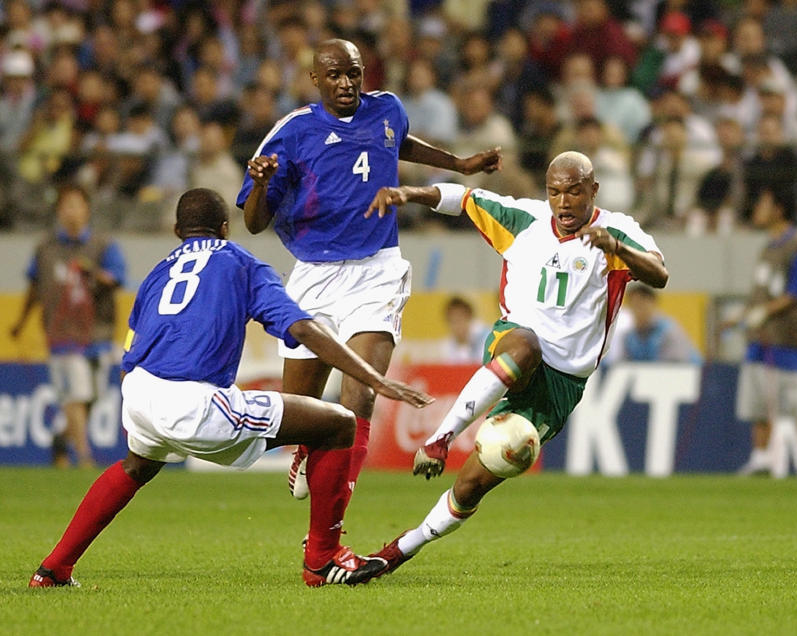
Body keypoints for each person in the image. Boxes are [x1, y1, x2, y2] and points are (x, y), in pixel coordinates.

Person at [28, 188, 432, 588]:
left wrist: (145, 414)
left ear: (176, 231)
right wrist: (373, 378)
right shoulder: (241, 263)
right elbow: (303, 328)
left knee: (137, 465)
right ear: (225, 228)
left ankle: (53, 570)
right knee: (339, 423)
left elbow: (130, 352)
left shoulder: (157, 274)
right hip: (193, 403)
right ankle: (323, 559)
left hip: (139, 393)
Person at [235, 38, 501, 586]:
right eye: (335, 75)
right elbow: (255, 224)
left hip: (377, 267)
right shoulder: (291, 133)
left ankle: (325, 542)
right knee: (302, 408)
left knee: (360, 396)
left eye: (353, 73)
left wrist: (460, 165)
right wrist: (261, 185)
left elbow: (399, 142)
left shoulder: (387, 107)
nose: (347, 83)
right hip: (313, 274)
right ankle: (306, 452)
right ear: (315, 79)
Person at [357, 151, 668, 580]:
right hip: (514, 341)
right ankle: (441, 437)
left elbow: (659, 274)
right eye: (555, 191)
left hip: (561, 384)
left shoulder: (617, 232)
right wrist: (409, 193)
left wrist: (616, 247)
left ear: (592, 190)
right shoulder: (525, 222)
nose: (564, 202)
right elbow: (463, 199)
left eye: (574, 191)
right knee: (527, 347)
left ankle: (398, 551)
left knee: (472, 485)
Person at [10, 185, 126, 468]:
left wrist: (94, 273)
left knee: (93, 397)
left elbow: (118, 279)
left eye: (77, 205)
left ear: (87, 209)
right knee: (76, 393)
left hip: (97, 330)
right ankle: (84, 456)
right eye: (66, 205)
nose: (72, 211)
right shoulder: (45, 248)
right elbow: (34, 287)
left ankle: (62, 438)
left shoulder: (103, 245)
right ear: (59, 211)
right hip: (61, 333)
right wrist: (21, 322)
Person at [728, 186, 797, 477]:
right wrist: (740, 316)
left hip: (788, 338)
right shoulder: (768, 247)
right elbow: (761, 292)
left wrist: (764, 312)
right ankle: (761, 459)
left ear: (779, 209)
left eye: (764, 203)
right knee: (758, 402)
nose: (758, 209)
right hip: (760, 338)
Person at [615, 283, 701, 363]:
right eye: (634, 304)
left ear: (653, 303)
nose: (639, 310)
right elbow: (624, 364)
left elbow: (676, 364)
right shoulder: (629, 337)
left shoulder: (668, 331)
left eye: (642, 304)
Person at [440, 296, 490, 364]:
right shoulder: (447, 345)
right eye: (453, 321)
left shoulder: (487, 337)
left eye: (460, 319)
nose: (457, 325)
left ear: (469, 317)